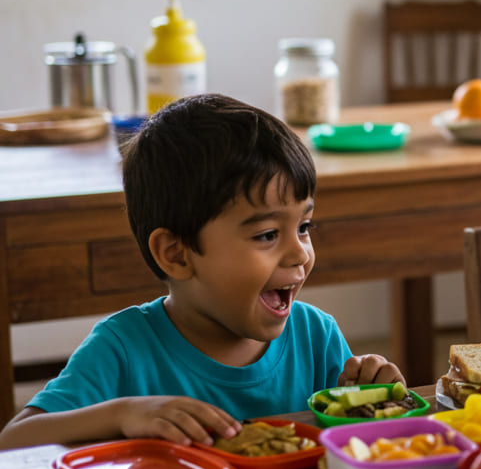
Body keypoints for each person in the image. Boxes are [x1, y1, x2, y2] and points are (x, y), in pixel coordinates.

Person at [0, 93, 403, 450]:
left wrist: (373, 393)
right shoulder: (122, 348)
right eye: (266, 235)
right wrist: (121, 415)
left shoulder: (316, 336)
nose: (299, 253)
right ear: (176, 254)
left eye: (303, 227)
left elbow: (355, 443)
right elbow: (13, 442)